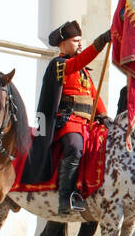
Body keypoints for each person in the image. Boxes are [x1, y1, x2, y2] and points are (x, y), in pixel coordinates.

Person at [23, 21, 112, 214]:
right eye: (76, 40)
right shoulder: (60, 65)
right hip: (69, 121)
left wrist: (103, 115)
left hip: (88, 123)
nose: (80, 44)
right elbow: (80, 61)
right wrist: (101, 41)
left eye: (81, 40)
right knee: (75, 147)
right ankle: (66, 196)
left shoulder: (82, 71)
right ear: (63, 43)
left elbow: (93, 95)